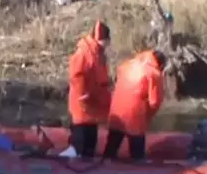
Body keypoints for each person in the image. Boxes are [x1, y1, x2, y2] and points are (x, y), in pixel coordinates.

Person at [103, 50, 166, 161]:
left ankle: (104, 166)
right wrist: (148, 117)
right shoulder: (154, 74)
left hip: (116, 112)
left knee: (111, 145)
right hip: (135, 115)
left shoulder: (126, 65)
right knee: (137, 152)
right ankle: (137, 167)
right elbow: (154, 102)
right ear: (160, 64)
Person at [67, 20, 111, 158]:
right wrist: (84, 95)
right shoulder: (84, 53)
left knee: (91, 142)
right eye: (107, 40)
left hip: (93, 104)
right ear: (102, 39)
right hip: (84, 104)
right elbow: (76, 75)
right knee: (80, 144)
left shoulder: (98, 53)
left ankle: (87, 161)